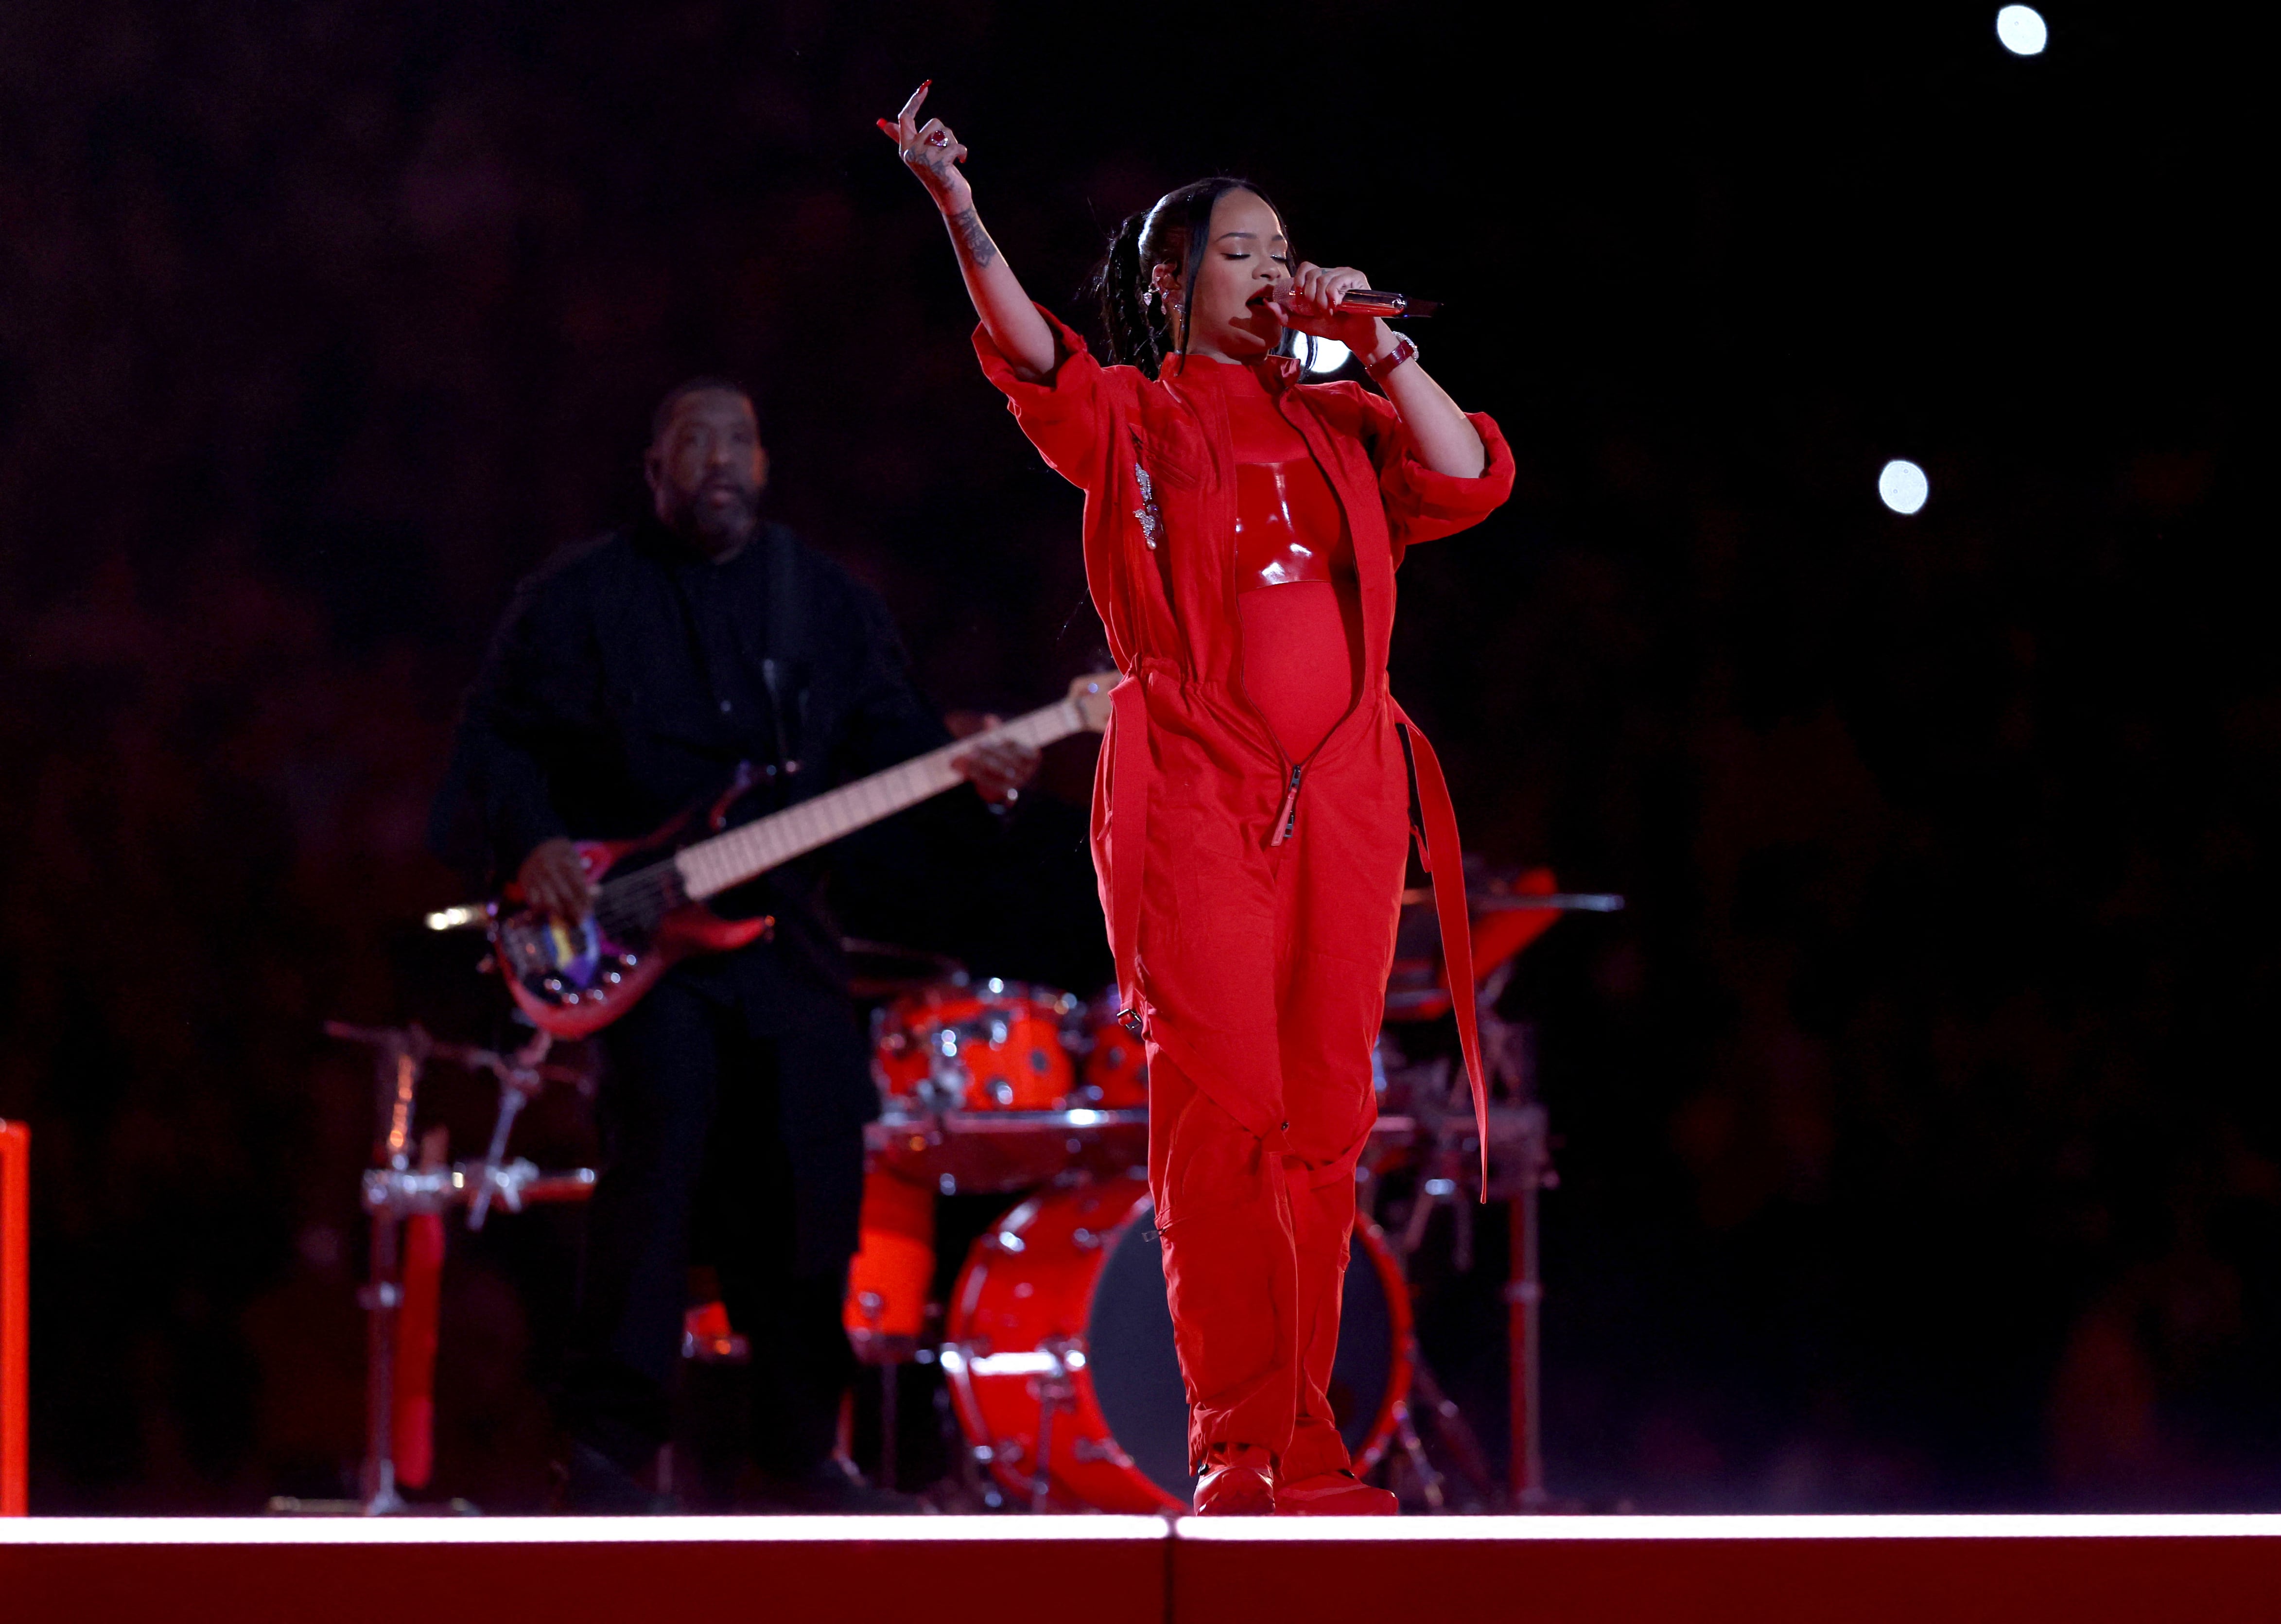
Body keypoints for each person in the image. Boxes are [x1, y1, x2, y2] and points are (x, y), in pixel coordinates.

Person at [879, 85, 1514, 1515]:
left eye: (1285, 248)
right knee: (1224, 1116)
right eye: (1244, 250)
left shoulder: (1349, 419)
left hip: (1345, 800)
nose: (1274, 269)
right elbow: (1031, 352)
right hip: (1196, 795)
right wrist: (962, 211)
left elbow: (1468, 474)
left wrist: (1380, 345)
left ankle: (1313, 1444)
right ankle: (1238, 1447)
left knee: (1327, 1120)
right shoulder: (1137, 416)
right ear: (1173, 283)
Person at [432, 378, 1037, 1510]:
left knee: (812, 1187)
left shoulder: (826, 603)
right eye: (694, 441)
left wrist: (976, 774)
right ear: (652, 470)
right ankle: (607, 1455)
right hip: (637, 939)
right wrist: (538, 843)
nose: (720, 458)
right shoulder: (578, 600)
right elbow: (495, 740)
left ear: (764, 467)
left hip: (786, 944)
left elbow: (894, 757)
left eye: (740, 441)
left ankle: (804, 1450)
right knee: (652, 1180)